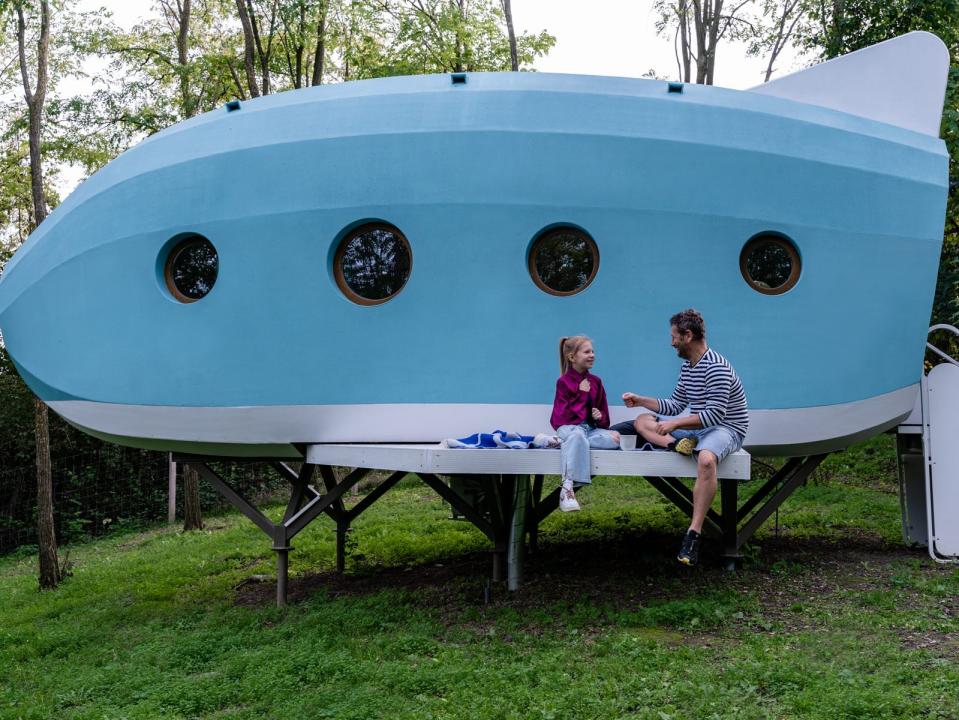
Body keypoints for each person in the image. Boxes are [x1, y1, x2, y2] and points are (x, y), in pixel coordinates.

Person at [622, 309, 748, 565]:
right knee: (641, 421)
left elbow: (714, 415)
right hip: (697, 428)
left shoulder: (717, 367)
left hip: (727, 428)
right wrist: (641, 401)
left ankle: (693, 534)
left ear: (687, 336)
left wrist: (675, 423)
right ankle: (678, 444)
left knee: (705, 460)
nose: (671, 343)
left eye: (673, 337)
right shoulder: (687, 367)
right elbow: (676, 404)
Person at [550, 336, 621, 512]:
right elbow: (559, 419)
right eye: (587, 352)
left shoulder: (596, 382)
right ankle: (567, 489)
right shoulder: (563, 382)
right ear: (572, 357)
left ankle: (565, 444)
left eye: (593, 351)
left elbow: (605, 421)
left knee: (614, 439)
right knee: (576, 435)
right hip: (569, 428)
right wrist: (582, 395)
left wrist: (599, 416)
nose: (592, 355)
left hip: (588, 431)